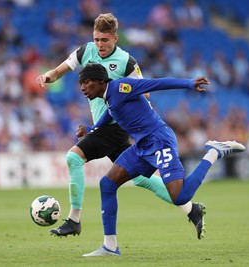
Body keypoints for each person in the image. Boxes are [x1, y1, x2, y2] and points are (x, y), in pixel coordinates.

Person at [36, 13, 200, 238]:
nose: (99, 45)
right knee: (142, 179)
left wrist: (120, 95)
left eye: (104, 40)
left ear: (115, 38)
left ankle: (74, 219)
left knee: (73, 158)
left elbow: (147, 92)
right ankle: (191, 209)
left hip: (115, 127)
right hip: (103, 127)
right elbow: (59, 71)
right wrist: (47, 76)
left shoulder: (127, 62)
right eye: (96, 39)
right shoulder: (85, 52)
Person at [77, 63, 245, 256]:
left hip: (159, 141)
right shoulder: (109, 98)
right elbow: (111, 113)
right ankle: (110, 246)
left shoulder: (120, 87)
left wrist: (189, 83)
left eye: (86, 82)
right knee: (107, 184)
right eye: (81, 83)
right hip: (141, 146)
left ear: (100, 82)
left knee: (180, 197)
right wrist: (92, 129)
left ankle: (214, 152)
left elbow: (154, 84)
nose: (82, 88)